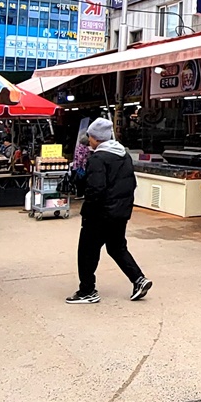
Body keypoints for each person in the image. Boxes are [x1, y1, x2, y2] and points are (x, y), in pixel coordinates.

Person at [66, 118, 152, 304]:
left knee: (87, 251)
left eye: (90, 137)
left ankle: (87, 290)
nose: (88, 140)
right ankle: (138, 279)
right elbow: (131, 183)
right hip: (120, 213)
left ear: (95, 138)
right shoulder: (124, 155)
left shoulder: (98, 158)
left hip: (99, 214)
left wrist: (84, 196)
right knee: (117, 247)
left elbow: (95, 189)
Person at [70, 132, 91, 197]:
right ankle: (81, 193)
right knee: (82, 180)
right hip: (83, 166)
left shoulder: (79, 148)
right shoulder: (86, 148)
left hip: (79, 166)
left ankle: (79, 194)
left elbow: (79, 158)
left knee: (78, 181)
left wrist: (77, 165)